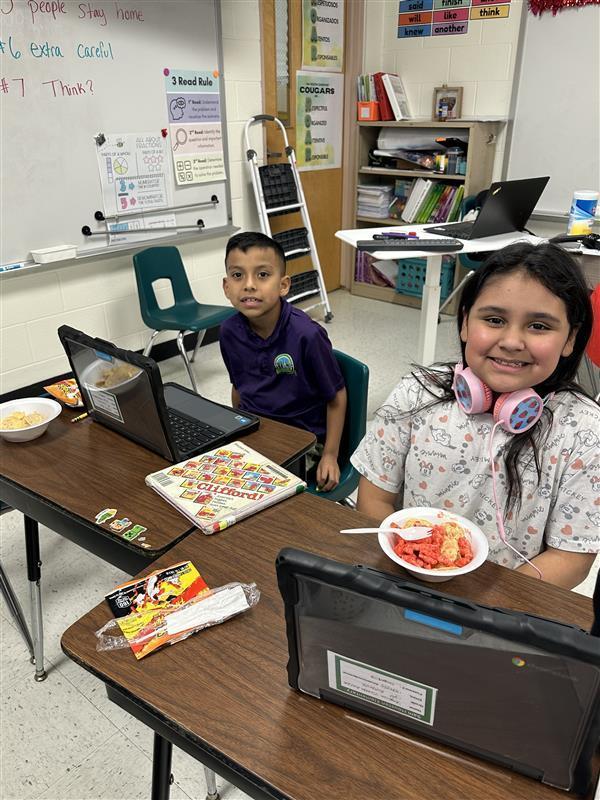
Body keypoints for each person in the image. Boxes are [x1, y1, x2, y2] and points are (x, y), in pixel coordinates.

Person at [352, 242, 599, 589]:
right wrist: (414, 566)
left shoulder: (586, 432)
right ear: (466, 322)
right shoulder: (416, 392)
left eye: (539, 326)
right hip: (409, 580)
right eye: (495, 320)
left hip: (508, 606)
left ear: (571, 338)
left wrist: (485, 606)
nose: (512, 341)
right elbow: (374, 499)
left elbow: (570, 559)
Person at [220, 231, 347, 491]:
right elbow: (238, 389)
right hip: (257, 433)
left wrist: (330, 455)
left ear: (284, 285)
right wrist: (239, 431)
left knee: (256, 490)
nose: (249, 285)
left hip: (303, 442)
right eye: (237, 275)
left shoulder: (306, 335)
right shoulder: (228, 332)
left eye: (263, 275)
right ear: (226, 287)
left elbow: (337, 397)